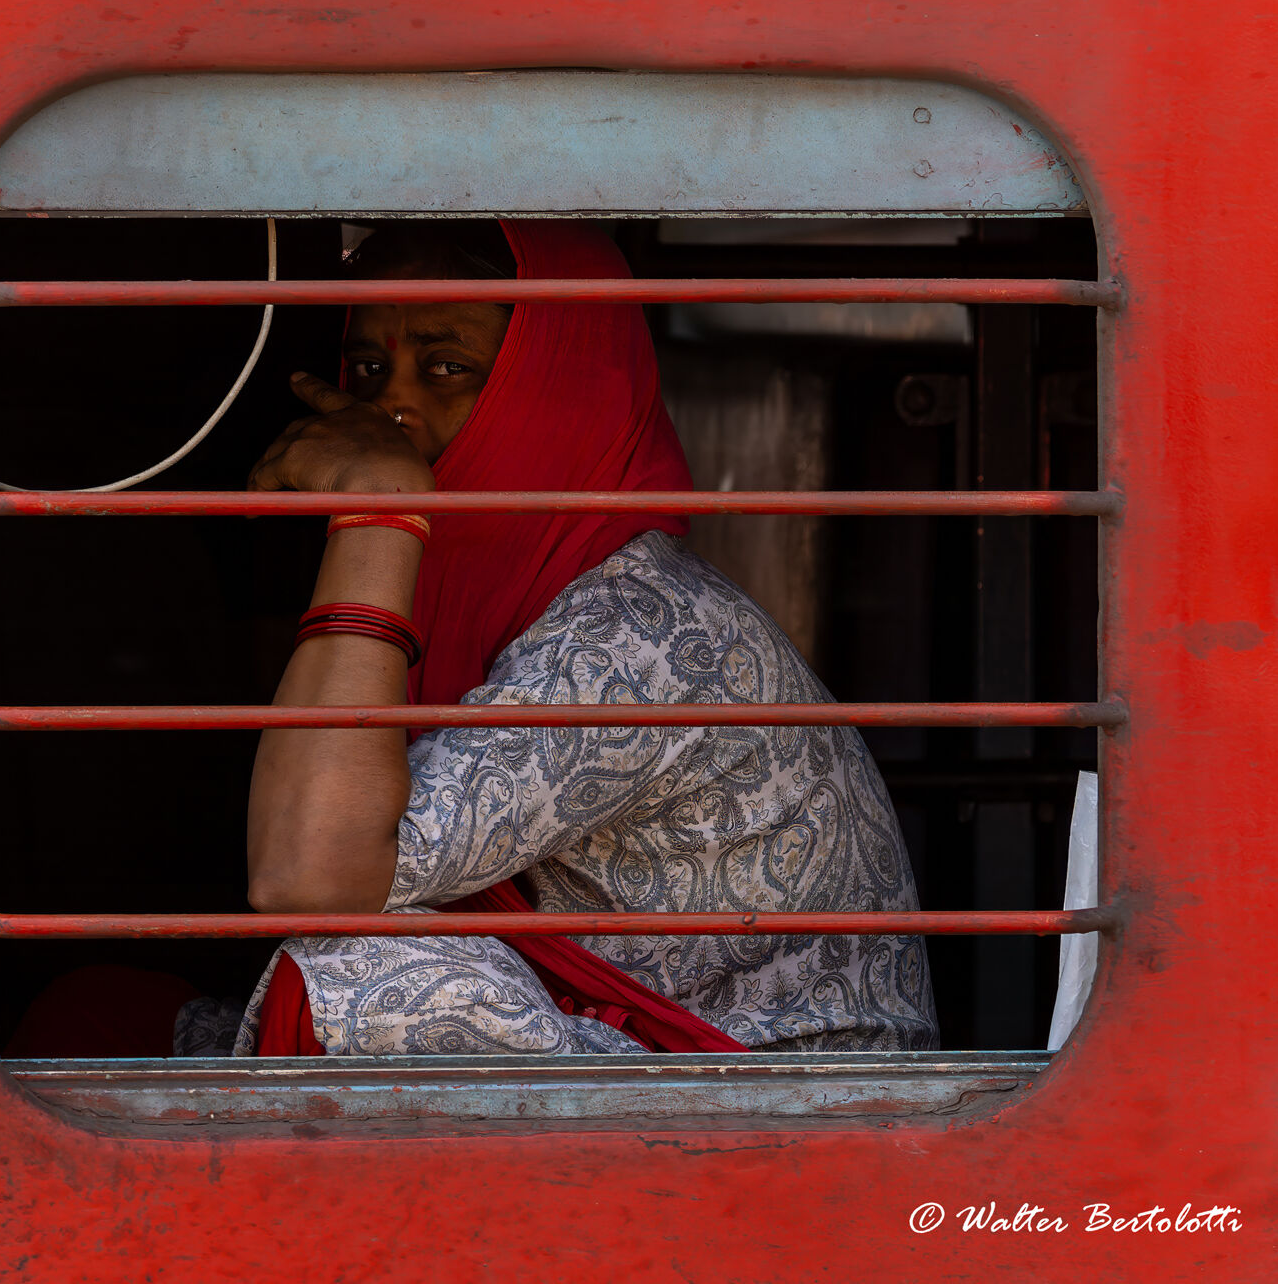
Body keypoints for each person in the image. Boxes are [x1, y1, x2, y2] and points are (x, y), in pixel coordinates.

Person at [231, 219, 937, 1056]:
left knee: (350, 981)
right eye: (369, 371)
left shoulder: (638, 630)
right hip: (618, 1030)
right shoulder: (515, 595)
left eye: (449, 369)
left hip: (783, 1104)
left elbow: (309, 872)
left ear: (564, 386)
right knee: (106, 1013)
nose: (392, 410)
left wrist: (379, 507)